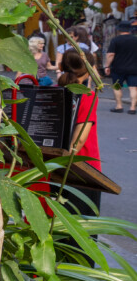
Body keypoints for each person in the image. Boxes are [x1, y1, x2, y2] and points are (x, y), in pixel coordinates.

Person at [57, 51, 102, 215]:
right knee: (81, 226)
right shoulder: (87, 95)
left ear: (61, 67)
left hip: (56, 164)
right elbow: (79, 140)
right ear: (90, 69)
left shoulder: (57, 90)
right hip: (82, 168)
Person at [108, 21, 137, 112]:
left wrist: (107, 66)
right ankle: (132, 108)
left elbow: (111, 55)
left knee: (117, 86)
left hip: (117, 68)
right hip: (134, 68)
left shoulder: (115, 40)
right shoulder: (135, 40)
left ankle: (119, 106)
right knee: (133, 88)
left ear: (119, 29)